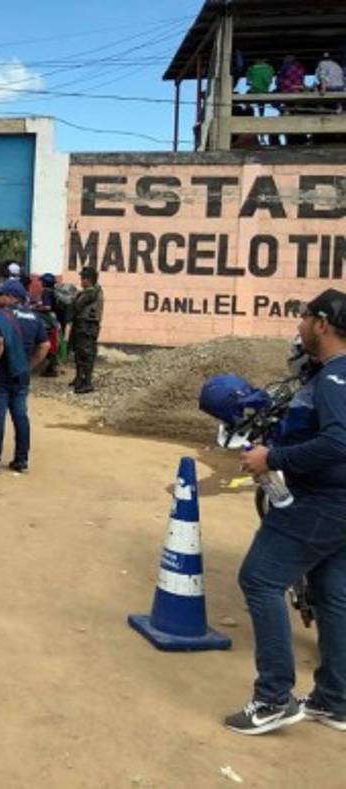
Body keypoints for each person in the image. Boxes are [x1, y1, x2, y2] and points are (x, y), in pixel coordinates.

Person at [231, 287, 346, 735]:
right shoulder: (330, 376)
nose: (297, 326)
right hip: (336, 505)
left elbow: (339, 442)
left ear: (322, 323)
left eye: (302, 318)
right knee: (331, 593)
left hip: (321, 503)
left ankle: (274, 698)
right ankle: (334, 699)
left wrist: (271, 459)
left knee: (260, 579)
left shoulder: (336, 379)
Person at [0, 280, 50, 475]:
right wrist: (29, 366)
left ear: (11, 297)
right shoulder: (35, 318)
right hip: (21, 373)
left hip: (2, 372)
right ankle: (21, 459)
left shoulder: (1, 316)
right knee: (20, 415)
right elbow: (44, 346)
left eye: (1, 295)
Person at [70, 266, 104, 394]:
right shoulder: (92, 291)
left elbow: (77, 305)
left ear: (88, 280)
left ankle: (86, 382)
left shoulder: (90, 293)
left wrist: (75, 297)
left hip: (87, 326)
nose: (80, 280)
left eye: (82, 278)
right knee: (80, 352)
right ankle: (80, 378)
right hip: (84, 325)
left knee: (86, 353)